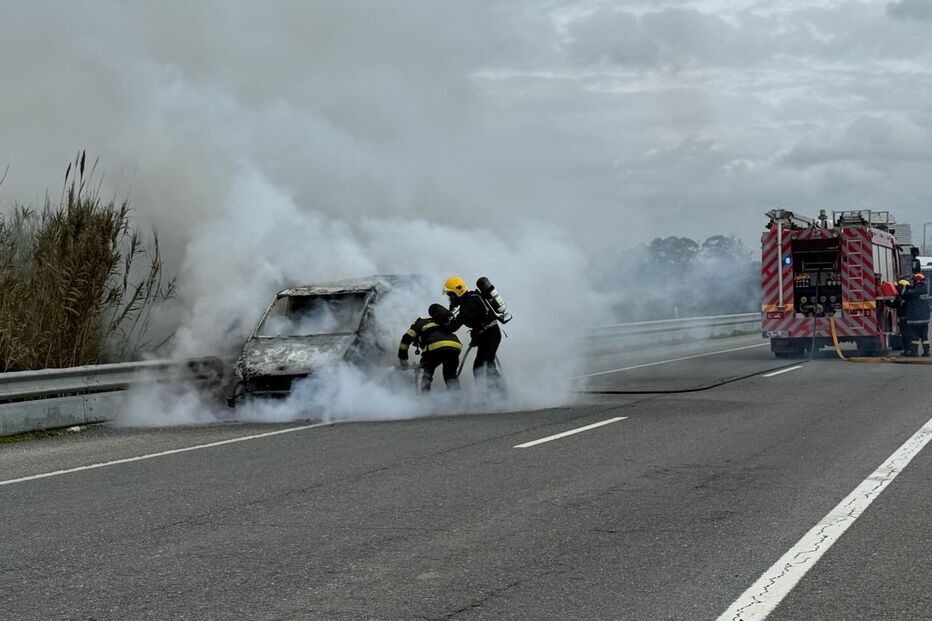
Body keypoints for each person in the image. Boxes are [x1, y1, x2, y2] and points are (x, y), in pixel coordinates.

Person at [443, 275, 504, 390]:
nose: (450, 299)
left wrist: (443, 321)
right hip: (489, 335)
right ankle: (495, 393)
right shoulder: (472, 297)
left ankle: (496, 395)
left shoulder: (469, 305)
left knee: (482, 367)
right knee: (485, 366)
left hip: (490, 336)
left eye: (451, 295)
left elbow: (454, 326)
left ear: (457, 292)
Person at [398, 303, 462, 392]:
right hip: (454, 346)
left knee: (425, 374)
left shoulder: (420, 323)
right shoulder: (443, 323)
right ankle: (458, 399)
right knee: (450, 376)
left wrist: (403, 359)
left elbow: (406, 339)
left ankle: (424, 400)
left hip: (435, 347)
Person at [902, 273, 930, 357]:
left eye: (914, 280)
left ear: (916, 280)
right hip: (925, 318)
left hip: (916, 318)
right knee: (924, 337)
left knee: (914, 336)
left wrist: (904, 286)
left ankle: (914, 352)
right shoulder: (924, 289)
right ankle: (926, 351)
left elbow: (906, 293)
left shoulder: (916, 290)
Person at [895, 279, 911, 352]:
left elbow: (897, 305)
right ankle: (908, 350)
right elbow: (896, 305)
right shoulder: (904, 297)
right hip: (905, 319)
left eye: (899, 287)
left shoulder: (905, 297)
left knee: (906, 336)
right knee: (906, 335)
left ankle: (908, 350)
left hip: (905, 320)